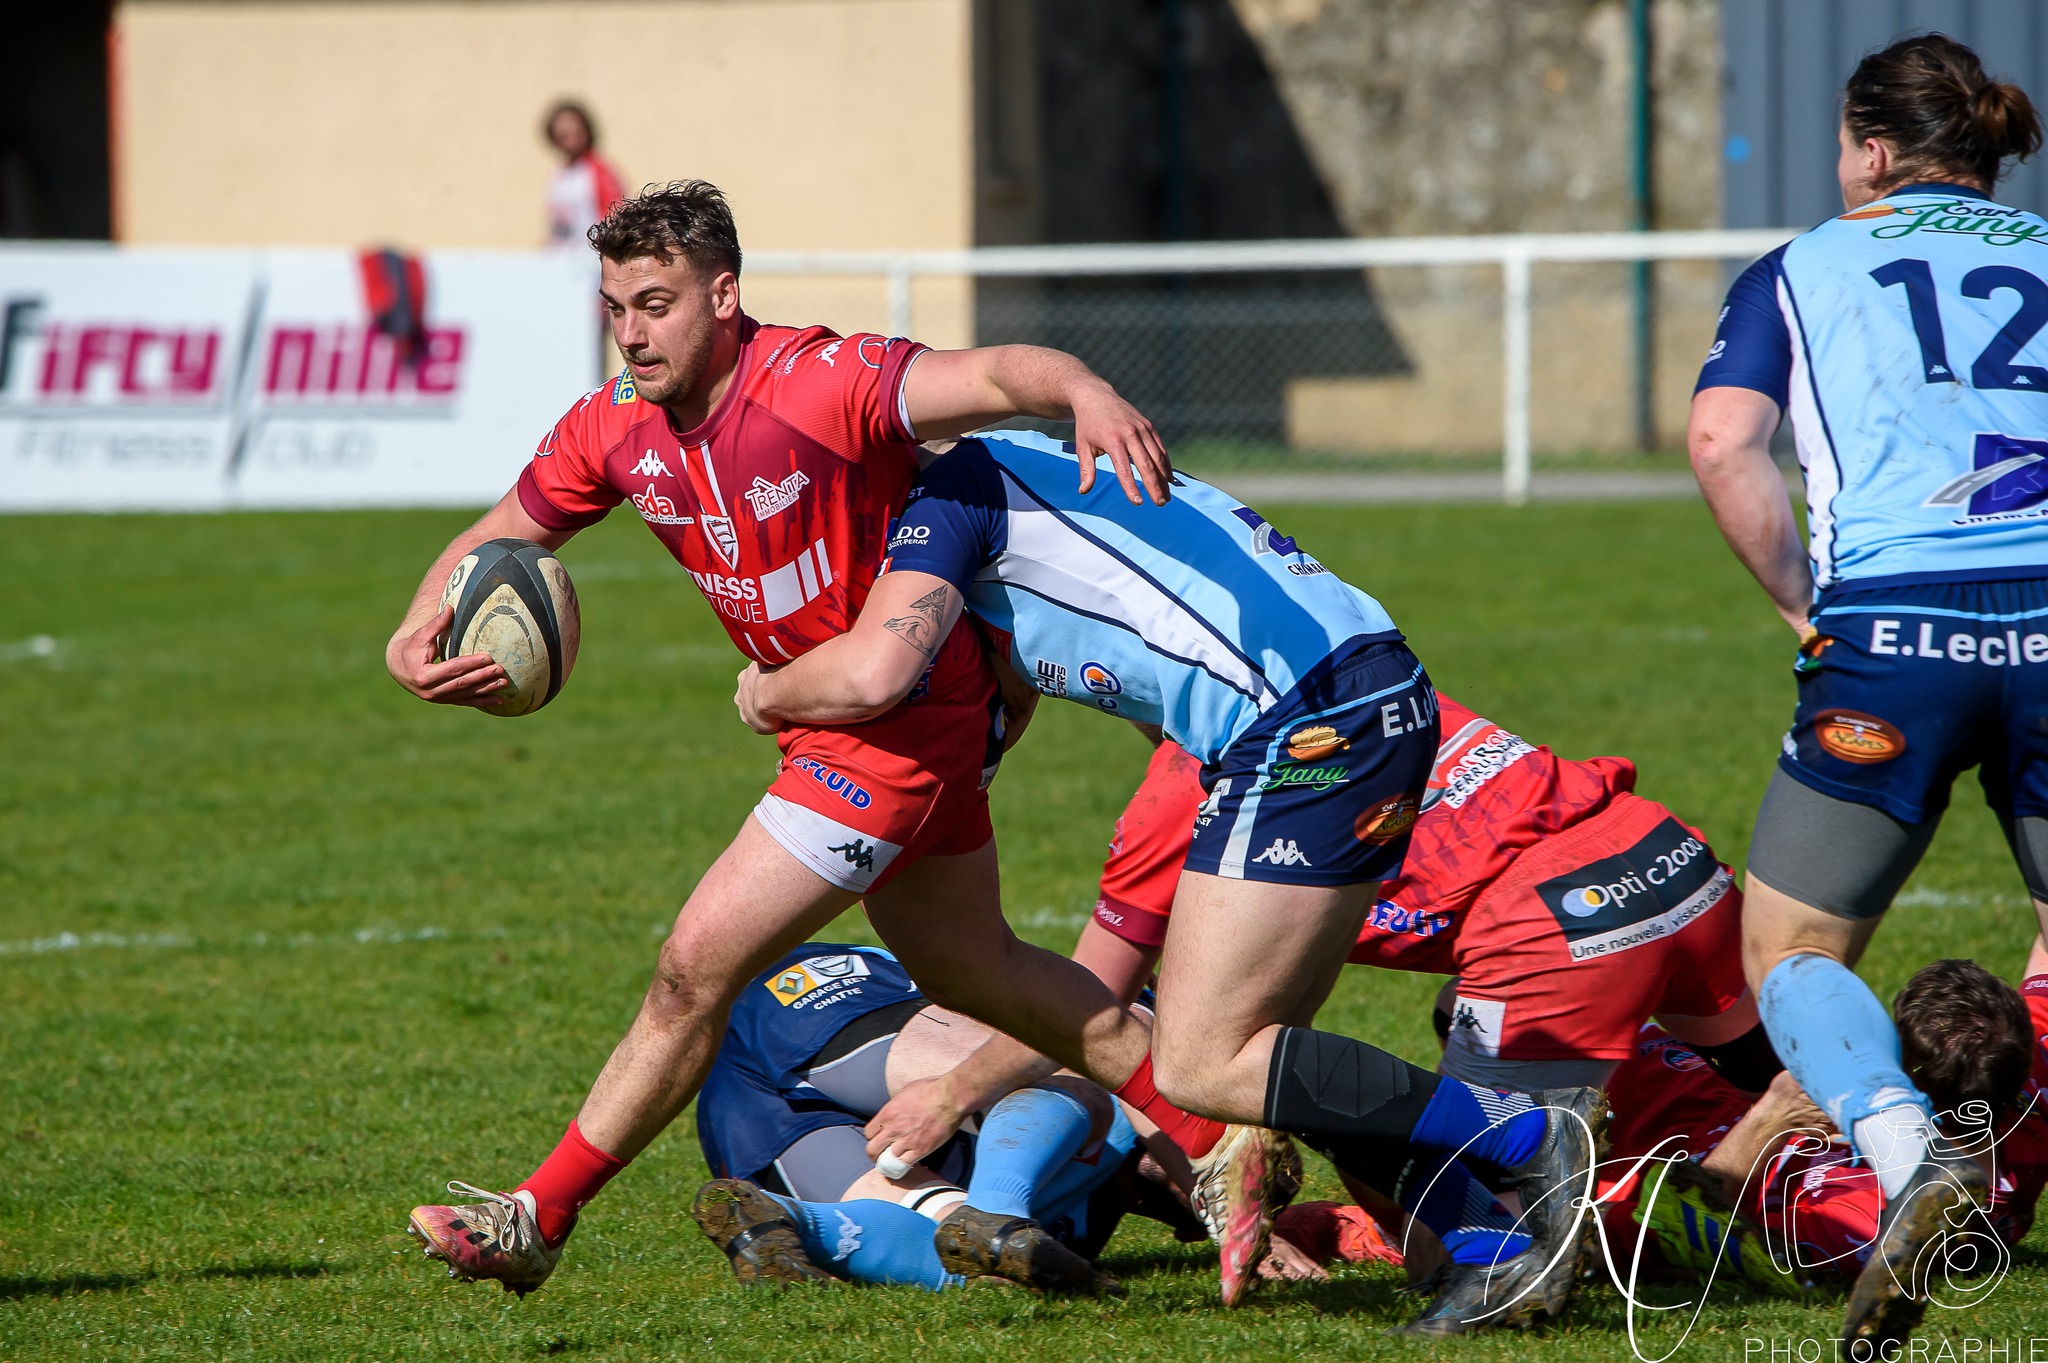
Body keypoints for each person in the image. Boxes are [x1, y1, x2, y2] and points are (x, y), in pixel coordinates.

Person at [393, 180, 1197, 1298]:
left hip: (893, 731)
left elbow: (997, 373)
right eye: (616, 305)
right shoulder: (611, 428)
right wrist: (413, 631)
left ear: (722, 295)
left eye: (656, 303)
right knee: (994, 976)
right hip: (858, 729)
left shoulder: (820, 381)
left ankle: (539, 1214)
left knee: (691, 969)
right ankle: (1226, 1145)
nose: (630, 331)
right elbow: (499, 533)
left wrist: (1086, 394)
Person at [736, 429, 1604, 1331]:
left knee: (1201, 1058)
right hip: (1356, 697)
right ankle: (1490, 1251)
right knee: (1273, 1066)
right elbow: (1008, 680)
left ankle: (1531, 1134)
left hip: (1305, 719)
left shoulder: (951, 495)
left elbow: (876, 672)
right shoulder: (1006, 499)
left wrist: (763, 694)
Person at [1687, 31, 2048, 1344]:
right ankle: (2003, 1171)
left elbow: (1726, 441)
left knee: (1792, 949)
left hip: (1899, 626)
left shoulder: (1803, 263)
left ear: (1875, 150)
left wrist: (1804, 608)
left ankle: (1909, 1155)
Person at [689, 941, 1208, 1293]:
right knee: (1089, 1076)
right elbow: (1107, 1020)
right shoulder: (1160, 1064)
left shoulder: (1079, 1229)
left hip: (751, 1121)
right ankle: (997, 1211)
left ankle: (782, 1220)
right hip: (810, 1005)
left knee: (969, 1257)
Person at [1606, 950, 2044, 1303]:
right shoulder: (2017, 1070)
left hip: (1658, 1156)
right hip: (1710, 1093)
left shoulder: (1866, 1222)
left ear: (1904, 1071)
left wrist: (1770, 1119)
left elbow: (1657, 1240)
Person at [542, 101, 626, 251]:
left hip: (589, 255)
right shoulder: (559, 173)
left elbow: (615, 214)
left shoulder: (598, 170)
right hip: (561, 253)